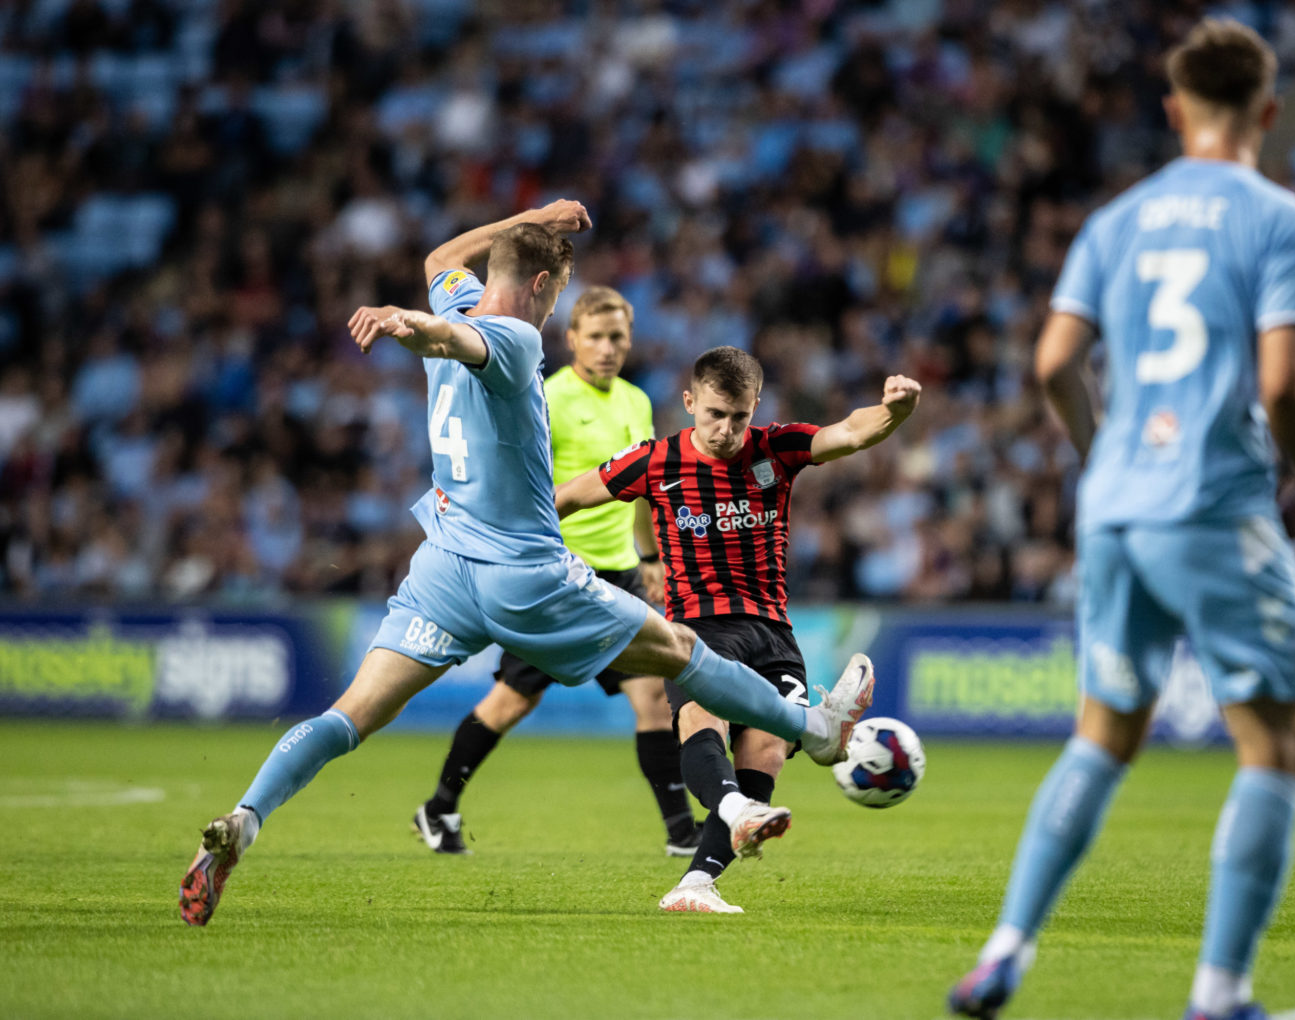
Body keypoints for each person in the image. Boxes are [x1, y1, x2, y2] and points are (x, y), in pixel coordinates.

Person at [178, 202, 877, 927]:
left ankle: (244, 818)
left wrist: (530, 219)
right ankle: (816, 730)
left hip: (443, 566)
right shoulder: (512, 338)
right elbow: (458, 337)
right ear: (543, 284)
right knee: (683, 651)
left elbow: (439, 260)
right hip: (526, 573)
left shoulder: (459, 292)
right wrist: (410, 325)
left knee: (348, 717)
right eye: (558, 295)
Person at [949, 19, 1295, 1020]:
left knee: (1103, 735)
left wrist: (1101, 449)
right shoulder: (1281, 219)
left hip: (1113, 504)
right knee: (1279, 743)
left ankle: (1004, 952)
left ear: (1173, 111)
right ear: (1268, 112)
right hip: (1210, 502)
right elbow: (1286, 380)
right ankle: (1219, 992)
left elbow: (1051, 364)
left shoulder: (1114, 222)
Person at [557, 347, 922, 913]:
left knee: (767, 751)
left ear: (756, 406)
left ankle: (695, 884)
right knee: (702, 721)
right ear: (689, 403)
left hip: (772, 629)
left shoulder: (776, 447)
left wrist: (895, 411)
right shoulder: (654, 462)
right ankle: (811, 745)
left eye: (739, 417)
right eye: (713, 415)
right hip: (698, 626)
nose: (726, 430)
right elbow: (567, 497)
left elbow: (849, 433)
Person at [411, 285, 701, 858]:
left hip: (618, 573)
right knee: (512, 702)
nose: (607, 347)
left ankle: (679, 832)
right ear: (570, 340)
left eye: (617, 336)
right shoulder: (546, 398)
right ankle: (439, 806)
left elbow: (639, 488)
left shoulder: (636, 402)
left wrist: (648, 558)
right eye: (595, 336)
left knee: (652, 698)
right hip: (555, 574)